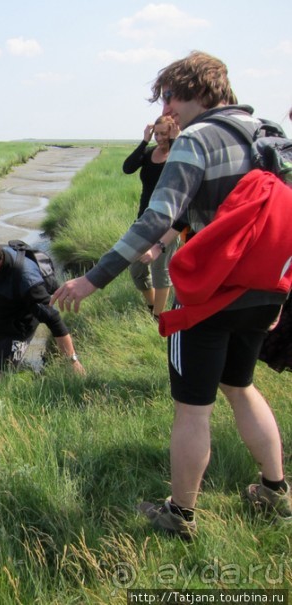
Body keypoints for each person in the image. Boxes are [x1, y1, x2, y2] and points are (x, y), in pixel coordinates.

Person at [51, 51, 291, 538]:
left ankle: (179, 515)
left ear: (196, 91)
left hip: (208, 295)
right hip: (264, 291)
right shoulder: (271, 134)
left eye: (170, 98)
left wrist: (93, 278)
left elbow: (157, 216)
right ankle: (275, 489)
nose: (167, 110)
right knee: (240, 387)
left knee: (192, 408)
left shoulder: (196, 140)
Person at [0, 237, 85, 382]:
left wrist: (72, 361)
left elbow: (54, 319)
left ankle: (2, 390)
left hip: (17, 329)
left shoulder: (26, 279)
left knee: (1, 379)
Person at [122, 115, 181, 319]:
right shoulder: (149, 153)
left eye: (164, 134)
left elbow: (177, 170)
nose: (160, 138)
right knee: (137, 269)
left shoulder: (178, 154)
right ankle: (152, 306)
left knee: (160, 271)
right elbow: (127, 168)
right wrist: (145, 140)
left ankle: (159, 318)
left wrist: (174, 141)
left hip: (168, 223)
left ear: (173, 132)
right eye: (157, 134)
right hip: (144, 221)